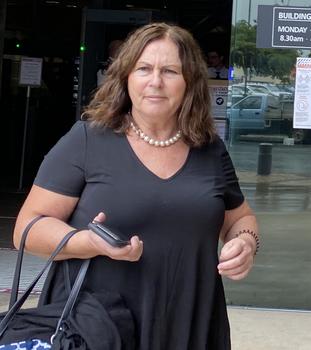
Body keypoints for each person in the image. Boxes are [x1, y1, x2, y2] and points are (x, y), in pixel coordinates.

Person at [13, 23, 259, 349]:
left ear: (189, 82)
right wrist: (88, 242)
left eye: (170, 71)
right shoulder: (88, 140)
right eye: (144, 68)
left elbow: (240, 218)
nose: (155, 81)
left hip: (190, 323)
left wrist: (245, 243)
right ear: (126, 76)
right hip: (100, 328)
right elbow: (26, 230)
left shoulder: (209, 148)